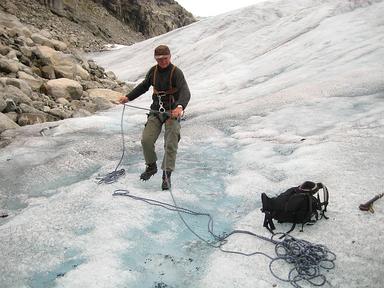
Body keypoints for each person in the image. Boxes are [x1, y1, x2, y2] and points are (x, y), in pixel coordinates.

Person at [119, 45, 191, 190]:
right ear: (155, 59)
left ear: (170, 57)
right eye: (159, 59)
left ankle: (166, 175)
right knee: (146, 140)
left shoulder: (176, 72)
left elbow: (185, 91)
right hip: (156, 111)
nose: (163, 61)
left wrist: (180, 107)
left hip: (172, 112)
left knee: (171, 143)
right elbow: (143, 86)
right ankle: (151, 166)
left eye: (165, 58)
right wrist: (128, 97)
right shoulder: (154, 71)